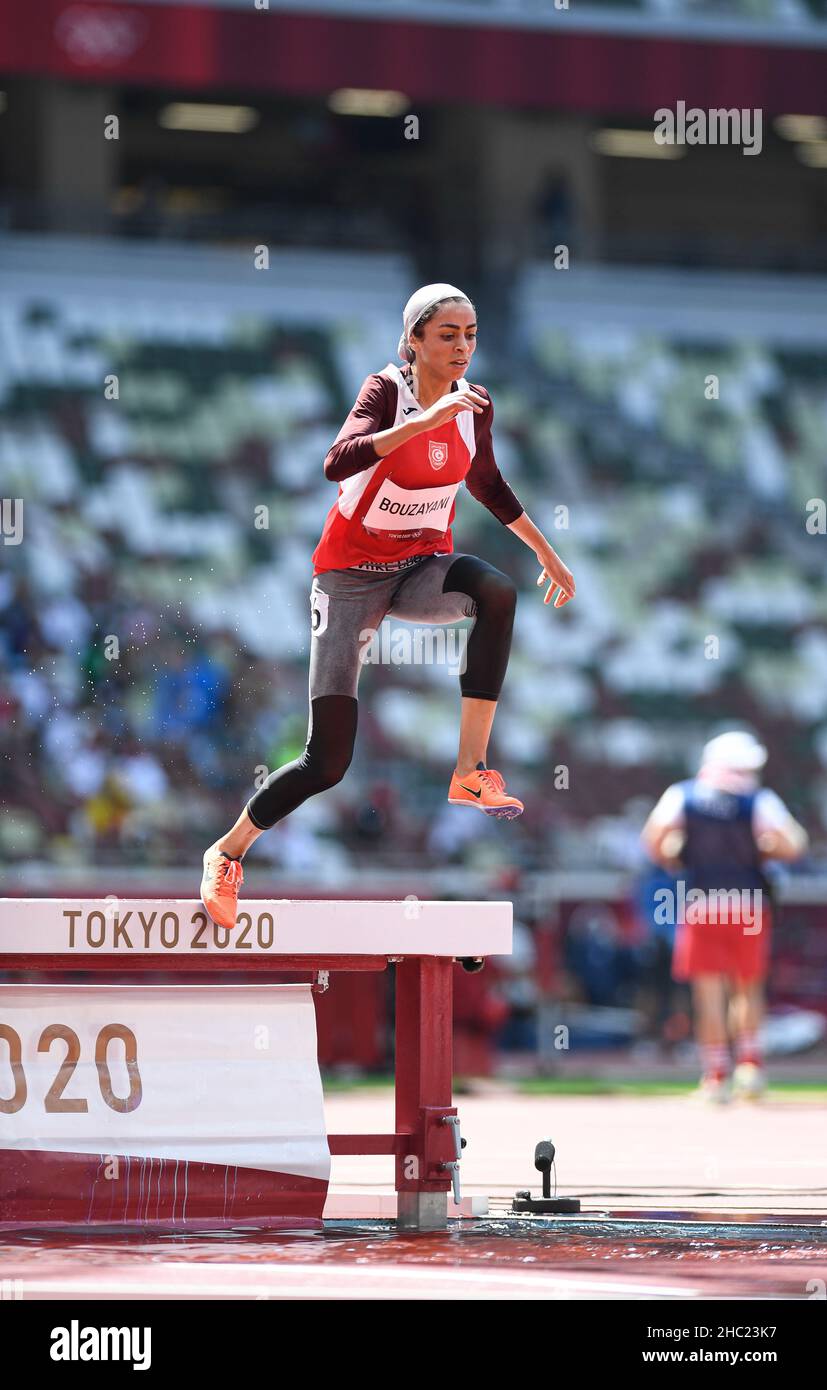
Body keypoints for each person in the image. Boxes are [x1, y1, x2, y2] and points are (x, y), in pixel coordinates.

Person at [201, 283, 575, 928]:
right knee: (328, 762)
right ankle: (228, 852)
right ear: (414, 342)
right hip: (348, 579)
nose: (463, 347)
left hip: (419, 568)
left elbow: (485, 480)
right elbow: (334, 461)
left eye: (471, 334)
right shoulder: (385, 391)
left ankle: (470, 769)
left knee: (497, 591)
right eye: (447, 335)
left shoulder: (475, 406)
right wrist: (419, 424)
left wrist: (545, 551)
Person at [641, 730, 808, 1102]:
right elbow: (794, 844)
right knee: (747, 988)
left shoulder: (682, 795)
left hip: (701, 903)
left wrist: (674, 854)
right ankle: (750, 1068)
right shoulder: (758, 800)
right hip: (748, 903)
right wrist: (765, 850)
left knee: (709, 992)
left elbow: (653, 840)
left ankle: (716, 1076)